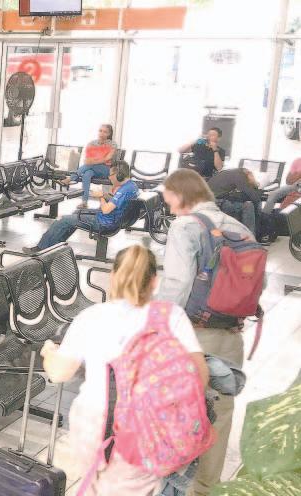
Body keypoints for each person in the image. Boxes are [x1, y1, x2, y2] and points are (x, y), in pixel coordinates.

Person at [40, 245, 208, 495]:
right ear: (154, 281)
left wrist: (48, 353)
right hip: (148, 429)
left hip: (92, 423)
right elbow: (200, 377)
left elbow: (59, 373)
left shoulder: (91, 317)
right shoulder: (171, 316)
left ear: (113, 276)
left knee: (95, 484)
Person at [155, 169, 256, 496]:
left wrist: (156, 327)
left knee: (180, 412)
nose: (170, 208)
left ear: (181, 195)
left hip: (194, 337)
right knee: (220, 414)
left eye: (170, 200)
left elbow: (177, 283)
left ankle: (173, 487)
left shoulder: (186, 226)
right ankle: (206, 488)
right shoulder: (238, 227)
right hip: (231, 336)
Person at [25, 161, 138, 252]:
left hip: (104, 223)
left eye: (111, 175)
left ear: (119, 175)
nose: (109, 178)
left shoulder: (123, 190)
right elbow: (117, 203)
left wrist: (100, 197)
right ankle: (55, 246)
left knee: (63, 220)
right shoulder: (132, 186)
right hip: (113, 220)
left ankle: (41, 248)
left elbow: (106, 210)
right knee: (75, 214)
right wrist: (104, 195)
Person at [60, 124, 118, 204]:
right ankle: (84, 202)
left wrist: (94, 160)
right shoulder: (92, 143)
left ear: (109, 134)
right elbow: (87, 160)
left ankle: (71, 178)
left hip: (106, 170)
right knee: (87, 174)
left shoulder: (112, 144)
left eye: (105, 132)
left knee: (90, 165)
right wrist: (99, 159)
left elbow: (107, 158)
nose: (101, 133)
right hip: (92, 169)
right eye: (100, 131)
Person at [207, 168, 262, 234]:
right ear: (248, 175)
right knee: (248, 205)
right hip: (218, 203)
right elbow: (254, 196)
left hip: (209, 202)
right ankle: (250, 235)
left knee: (239, 204)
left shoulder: (228, 172)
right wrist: (255, 186)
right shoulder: (240, 175)